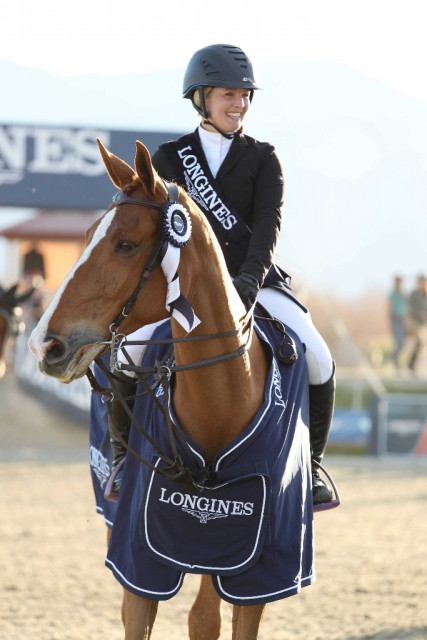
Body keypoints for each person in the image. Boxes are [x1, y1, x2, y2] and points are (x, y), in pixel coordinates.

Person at [107, 44, 336, 506]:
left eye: (246, 95)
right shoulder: (170, 159)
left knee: (319, 359)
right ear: (202, 97)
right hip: (186, 290)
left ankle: (310, 468)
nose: (240, 104)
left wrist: (247, 286)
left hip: (256, 284)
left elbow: (267, 229)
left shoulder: (264, 158)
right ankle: (121, 461)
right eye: (229, 94)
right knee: (127, 354)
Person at [407, 274, 427, 371]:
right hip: (416, 321)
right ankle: (411, 363)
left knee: (422, 343)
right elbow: (411, 308)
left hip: (424, 323)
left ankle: (414, 364)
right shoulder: (414, 294)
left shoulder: (425, 293)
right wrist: (420, 314)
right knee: (421, 340)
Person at [388, 275, 407, 368]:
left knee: (403, 343)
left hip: (403, 319)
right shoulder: (393, 294)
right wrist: (389, 321)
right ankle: (393, 358)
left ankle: (396, 359)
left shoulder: (404, 294)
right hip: (395, 319)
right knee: (399, 342)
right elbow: (389, 307)